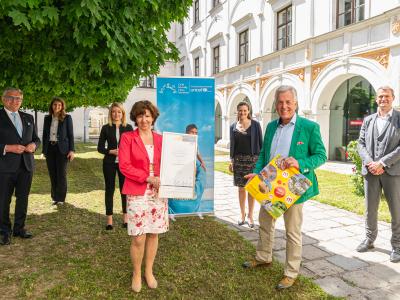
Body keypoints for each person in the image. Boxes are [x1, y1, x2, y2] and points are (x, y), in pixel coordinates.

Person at [242, 85, 326, 289]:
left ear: (295, 103)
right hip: (269, 184)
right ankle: (263, 257)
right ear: (276, 105)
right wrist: (257, 172)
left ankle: (291, 272)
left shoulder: (309, 127)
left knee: (292, 232)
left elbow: (321, 155)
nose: (284, 106)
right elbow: (264, 154)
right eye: (280, 102)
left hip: (294, 187)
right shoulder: (271, 126)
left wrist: (301, 164)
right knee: (265, 223)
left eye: (288, 102)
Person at [118, 100, 168, 292]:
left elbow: (169, 164)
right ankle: (137, 273)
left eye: (147, 115)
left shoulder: (161, 139)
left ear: (153, 117)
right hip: (138, 190)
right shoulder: (127, 138)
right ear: (135, 118)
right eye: (140, 115)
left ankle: (149, 271)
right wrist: (148, 178)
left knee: (153, 233)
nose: (144, 119)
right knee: (139, 237)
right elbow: (124, 166)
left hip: (158, 193)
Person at [356, 86, 400, 263]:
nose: (383, 99)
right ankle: (369, 239)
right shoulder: (368, 120)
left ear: (393, 98)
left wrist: (382, 163)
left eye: (387, 96)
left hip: (393, 172)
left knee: (396, 210)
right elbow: (360, 143)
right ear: (376, 99)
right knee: (370, 209)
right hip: (371, 172)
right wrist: (370, 163)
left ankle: (397, 245)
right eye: (380, 97)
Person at [0, 87, 41, 245]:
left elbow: (37, 139)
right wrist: (8, 148)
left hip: (26, 166)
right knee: (3, 200)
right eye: (12, 97)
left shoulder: (28, 117)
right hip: (4, 168)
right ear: (4, 99)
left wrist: (33, 146)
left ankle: (19, 228)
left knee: (23, 199)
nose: (16, 101)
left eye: (19, 99)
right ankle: (4, 230)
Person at [97, 102, 133, 230]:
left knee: (125, 190)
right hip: (109, 163)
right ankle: (109, 220)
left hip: (124, 164)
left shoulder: (128, 128)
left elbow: (133, 147)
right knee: (110, 190)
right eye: (113, 111)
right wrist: (110, 151)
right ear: (110, 113)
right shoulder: (106, 128)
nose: (116, 114)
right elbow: (100, 148)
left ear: (122, 113)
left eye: (119, 112)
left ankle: (126, 218)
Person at [229, 101, 263, 228]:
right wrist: (231, 160)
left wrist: (260, 162)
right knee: (241, 188)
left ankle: (250, 216)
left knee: (252, 189)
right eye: (240, 110)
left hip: (253, 161)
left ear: (248, 111)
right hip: (238, 161)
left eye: (245, 110)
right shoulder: (233, 126)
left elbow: (261, 143)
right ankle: (242, 214)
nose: (242, 112)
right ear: (237, 111)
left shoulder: (255, 125)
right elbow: (232, 145)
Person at [42, 97, 75, 205]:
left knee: (61, 174)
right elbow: (45, 135)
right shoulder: (47, 118)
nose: (57, 107)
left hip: (63, 149)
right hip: (50, 148)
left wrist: (72, 150)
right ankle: (54, 197)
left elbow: (71, 135)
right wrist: (44, 150)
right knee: (52, 173)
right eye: (55, 105)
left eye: (59, 105)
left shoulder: (67, 118)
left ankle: (60, 198)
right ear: (52, 106)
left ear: (62, 107)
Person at [168, 123, 206, 214]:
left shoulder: (195, 142)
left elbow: (197, 153)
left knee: (192, 180)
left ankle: (189, 199)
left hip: (191, 164)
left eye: (196, 132)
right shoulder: (182, 141)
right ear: (186, 132)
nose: (194, 134)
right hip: (182, 164)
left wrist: (202, 162)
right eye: (192, 132)